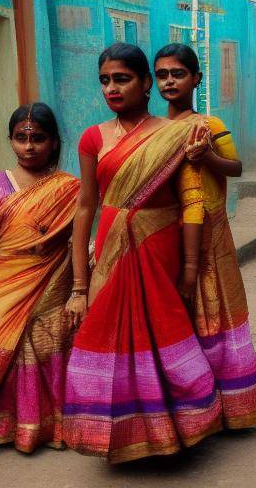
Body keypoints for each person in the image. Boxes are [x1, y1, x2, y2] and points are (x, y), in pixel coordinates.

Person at [63, 43, 227, 464]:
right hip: (113, 249)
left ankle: (177, 430)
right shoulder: (92, 138)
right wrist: (79, 285)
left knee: (164, 335)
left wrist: (190, 268)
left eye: (122, 78)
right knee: (108, 336)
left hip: (160, 246)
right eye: (105, 80)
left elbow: (192, 202)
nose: (112, 88)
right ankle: (118, 433)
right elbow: (86, 206)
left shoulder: (177, 133)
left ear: (146, 83)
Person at [154, 43, 256, 430]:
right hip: (171, 231)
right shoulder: (154, 131)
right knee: (176, 316)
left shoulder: (209, 124)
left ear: (196, 79)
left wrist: (206, 159)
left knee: (214, 312)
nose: (169, 81)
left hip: (211, 232)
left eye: (178, 74)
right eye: (162, 75)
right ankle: (188, 404)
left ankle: (229, 405)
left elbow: (235, 167)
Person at [0, 103, 79, 452]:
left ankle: (37, 426)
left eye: (38, 138)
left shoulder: (69, 187)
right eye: (21, 138)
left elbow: (79, 238)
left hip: (51, 278)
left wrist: (82, 287)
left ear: (53, 142)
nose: (29, 146)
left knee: (37, 340)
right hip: (4, 279)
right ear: (10, 140)